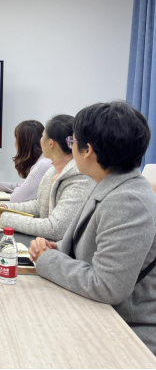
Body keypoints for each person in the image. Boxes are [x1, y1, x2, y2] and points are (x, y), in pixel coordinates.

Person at [29, 101, 156, 355]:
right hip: (94, 314)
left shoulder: (128, 200)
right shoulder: (108, 183)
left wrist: (49, 259)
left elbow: (108, 286)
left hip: (124, 332)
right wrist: (56, 247)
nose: (71, 146)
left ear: (88, 150)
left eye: (73, 141)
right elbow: (85, 242)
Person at [0, 115, 95, 240]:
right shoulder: (52, 171)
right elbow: (40, 206)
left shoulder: (79, 178)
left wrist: (4, 219)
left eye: (42, 136)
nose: (40, 140)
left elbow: (55, 228)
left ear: (51, 143)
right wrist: (5, 208)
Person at [0, 120, 52, 203]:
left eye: (16, 138)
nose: (14, 142)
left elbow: (17, 198)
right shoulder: (43, 161)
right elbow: (21, 186)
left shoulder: (42, 165)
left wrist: (18, 190)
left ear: (24, 143)